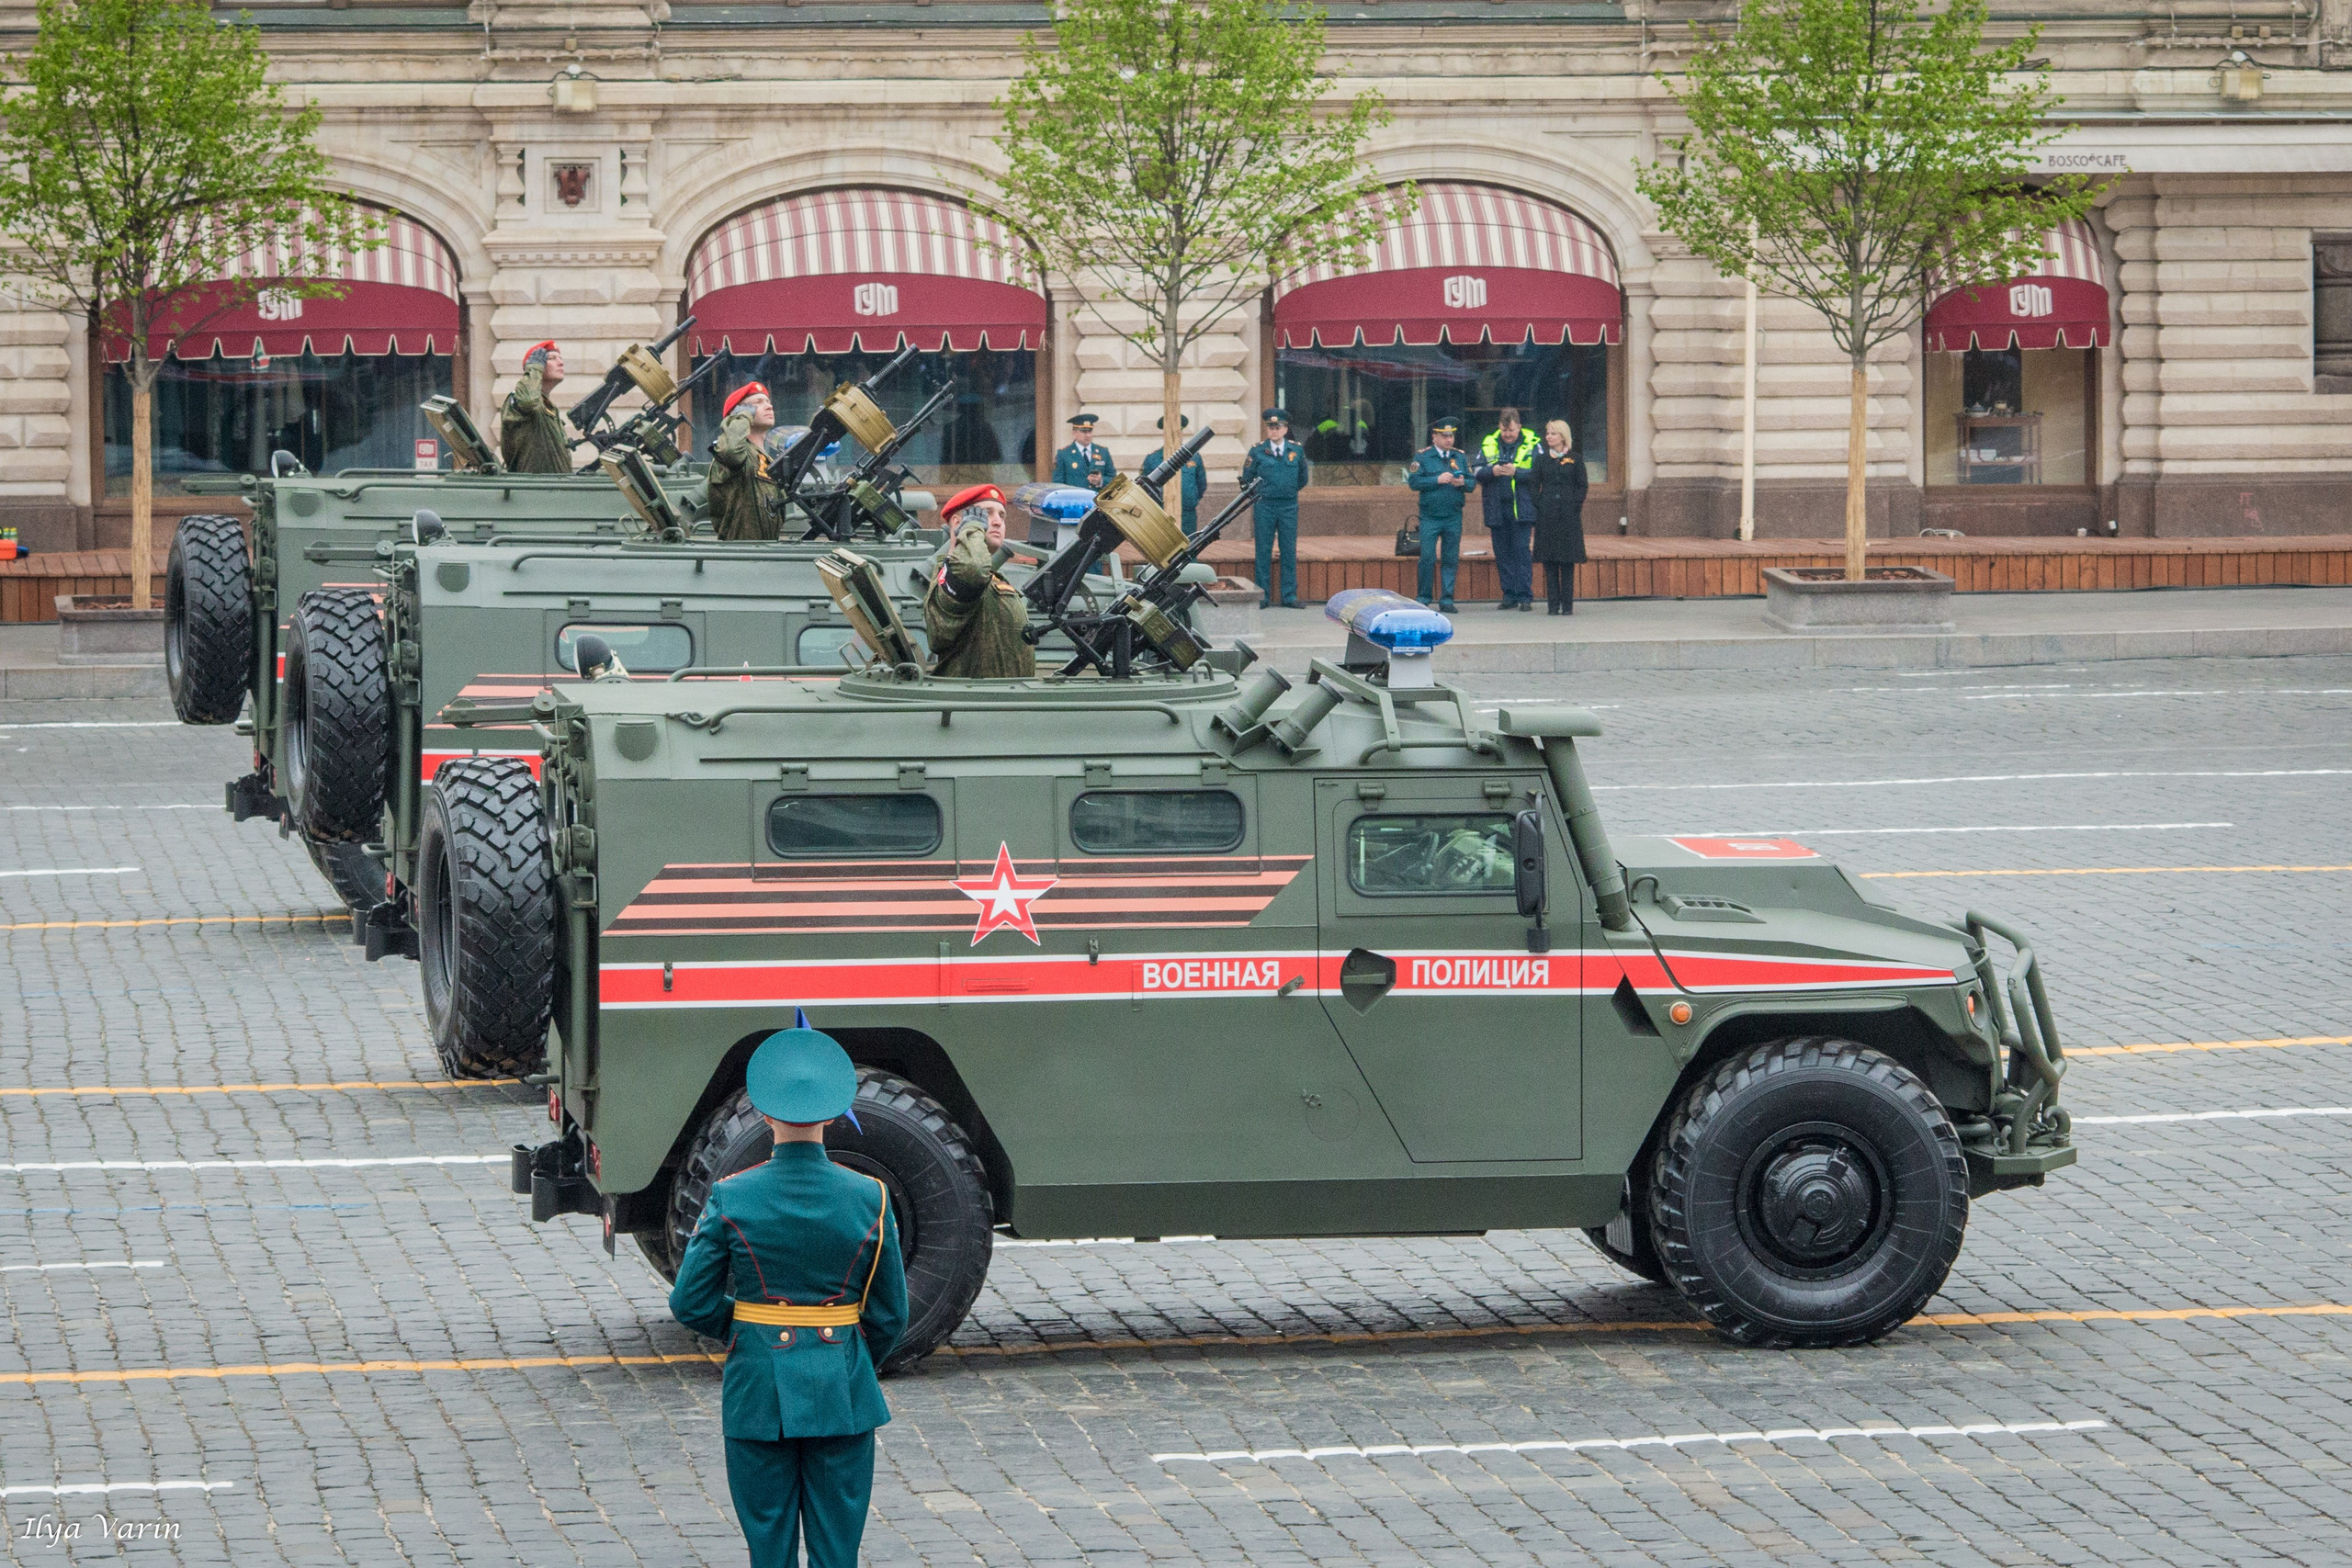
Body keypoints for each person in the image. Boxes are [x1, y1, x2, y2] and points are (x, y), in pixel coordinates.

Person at [669, 1027, 908, 1568]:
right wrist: (849, 1355)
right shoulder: (869, 1195)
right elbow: (891, 1314)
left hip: (757, 1388)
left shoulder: (733, 1194)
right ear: (831, 1115)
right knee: (837, 1551)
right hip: (842, 1388)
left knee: (768, 1550)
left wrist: (745, 1328)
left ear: (763, 1111)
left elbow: (691, 1302)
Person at [924, 483, 1035, 678]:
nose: (997, 522)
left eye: (1001, 515)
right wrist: (971, 528)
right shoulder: (954, 573)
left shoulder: (991, 577)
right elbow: (973, 568)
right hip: (972, 704)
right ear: (958, 523)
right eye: (986, 514)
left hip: (1003, 702)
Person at [1239, 407, 1309, 609]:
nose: (1274, 431)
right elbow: (1247, 478)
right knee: (1263, 550)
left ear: (1286, 429)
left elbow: (1302, 478)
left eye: (1278, 427)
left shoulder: (1296, 450)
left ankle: (1289, 596)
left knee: (1289, 550)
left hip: (1288, 505)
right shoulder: (1257, 451)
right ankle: (1262, 596)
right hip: (1265, 505)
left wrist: (1288, 491)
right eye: (1270, 427)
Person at [1474, 407, 1540, 611]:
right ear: (1499, 428)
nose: (1508, 435)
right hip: (1496, 508)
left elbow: (1539, 474)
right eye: (1504, 431)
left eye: (1511, 430)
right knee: (1502, 553)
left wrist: (1516, 472)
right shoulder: (1488, 444)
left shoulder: (1533, 444)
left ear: (1519, 426)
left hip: (1521, 508)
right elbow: (1475, 471)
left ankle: (1525, 596)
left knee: (1521, 552)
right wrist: (1492, 471)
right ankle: (1509, 594)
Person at [1405, 418, 1472, 612]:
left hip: (1453, 515)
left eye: (1451, 436)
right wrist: (1437, 479)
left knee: (1450, 558)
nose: (1449, 440)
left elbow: (1472, 483)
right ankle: (1423, 598)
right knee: (1427, 557)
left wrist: (1463, 484)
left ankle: (1447, 599)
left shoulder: (1459, 457)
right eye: (1444, 436)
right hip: (1430, 516)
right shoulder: (1422, 457)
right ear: (1434, 437)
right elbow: (1413, 482)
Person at [709, 381, 784, 542]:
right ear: (739, 414)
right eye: (757, 403)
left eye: (768, 402)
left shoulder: (765, 459)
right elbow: (731, 452)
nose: (769, 406)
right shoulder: (732, 451)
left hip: (767, 551)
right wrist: (741, 416)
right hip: (740, 553)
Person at [1530, 418, 1589, 615]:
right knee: (1550, 561)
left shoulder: (1575, 458)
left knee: (1567, 561)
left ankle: (1568, 606)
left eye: (1553, 433)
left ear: (1563, 436)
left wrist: (1575, 505)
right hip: (1547, 516)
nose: (1549, 437)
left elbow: (1582, 485)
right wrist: (1540, 503)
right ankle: (1552, 606)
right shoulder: (1541, 459)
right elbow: (1533, 485)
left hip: (1568, 516)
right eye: (1547, 433)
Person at [500, 342, 573, 474]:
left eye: (560, 358)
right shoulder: (519, 398)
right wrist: (534, 369)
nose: (560, 363)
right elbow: (528, 402)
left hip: (553, 489)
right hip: (533, 490)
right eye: (551, 359)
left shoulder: (548, 406)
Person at [1152, 414, 1207, 536]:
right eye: (1171, 433)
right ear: (1165, 434)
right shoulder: (1153, 459)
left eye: (1179, 432)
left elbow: (1201, 484)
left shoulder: (1195, 457)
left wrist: (1191, 500)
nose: (1176, 436)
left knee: (1190, 546)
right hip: (1162, 514)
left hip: (1187, 513)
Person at [1050, 412, 1116, 492]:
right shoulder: (1064, 454)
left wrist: (1101, 481)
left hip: (1097, 501)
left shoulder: (1103, 452)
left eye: (1090, 431)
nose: (1088, 435)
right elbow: (1058, 484)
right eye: (1084, 432)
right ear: (1074, 433)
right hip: (1075, 501)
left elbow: (1114, 479)